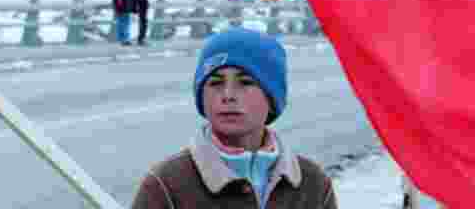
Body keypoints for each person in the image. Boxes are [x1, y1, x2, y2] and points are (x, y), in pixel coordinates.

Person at [132, 27, 337, 209]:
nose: (228, 94)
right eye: (215, 83)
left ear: (272, 97)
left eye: (245, 82)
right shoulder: (166, 185)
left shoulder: (313, 184)